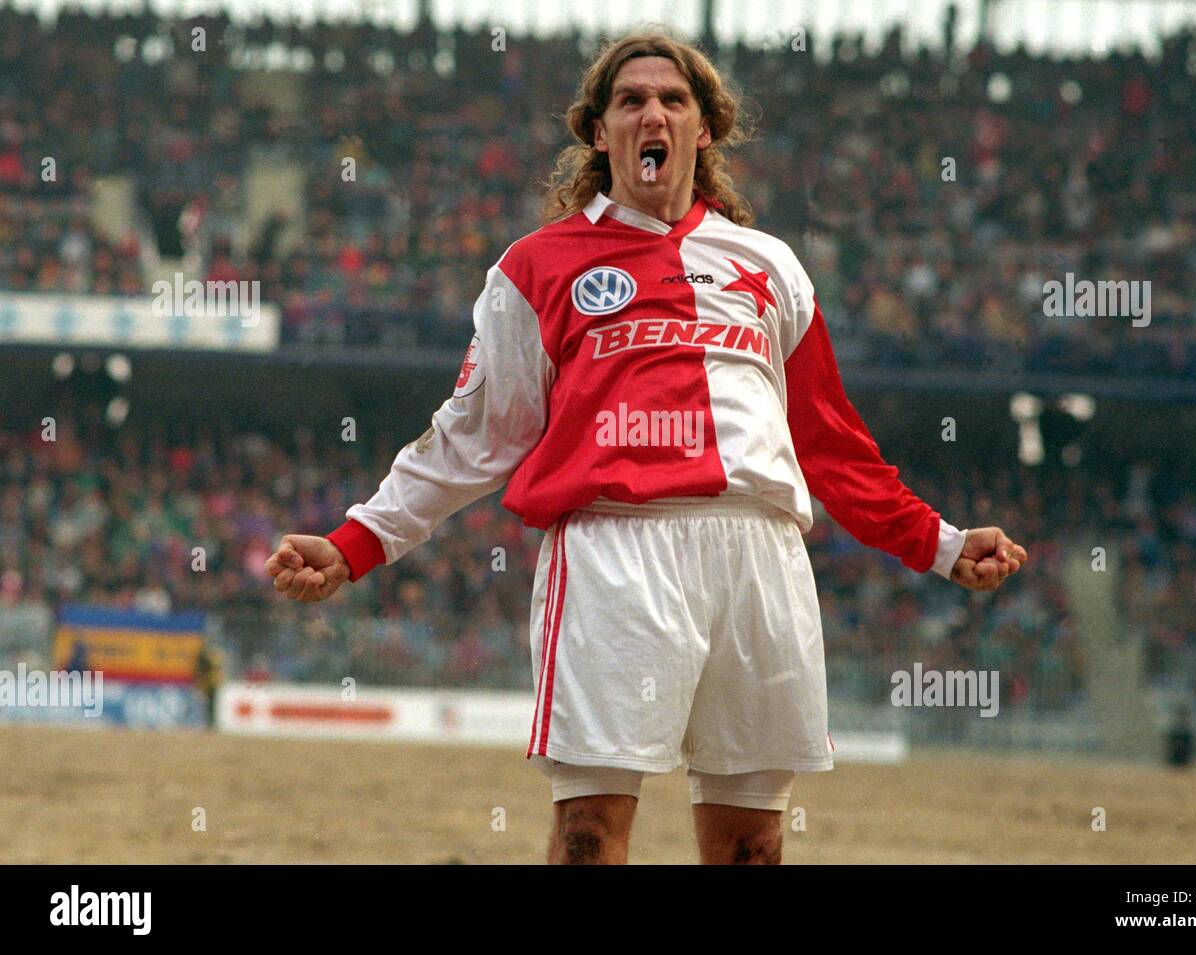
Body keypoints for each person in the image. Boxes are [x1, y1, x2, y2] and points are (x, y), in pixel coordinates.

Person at [264, 31, 1027, 865]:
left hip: (758, 553)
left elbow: (834, 449)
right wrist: (354, 542)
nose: (651, 113)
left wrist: (944, 544)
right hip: (612, 555)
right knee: (590, 834)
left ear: (705, 129)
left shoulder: (771, 266)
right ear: (599, 132)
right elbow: (471, 435)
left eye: (673, 100)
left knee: (754, 845)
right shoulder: (536, 267)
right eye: (630, 101)